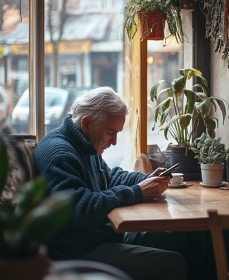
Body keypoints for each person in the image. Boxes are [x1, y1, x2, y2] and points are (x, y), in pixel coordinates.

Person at [34, 87, 187, 280]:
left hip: (99, 235)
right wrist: (138, 192)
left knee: (175, 238)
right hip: (76, 250)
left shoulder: (85, 144)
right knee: (174, 264)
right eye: (110, 132)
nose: (114, 142)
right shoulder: (60, 154)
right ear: (86, 123)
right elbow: (82, 211)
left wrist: (145, 179)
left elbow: (109, 177)